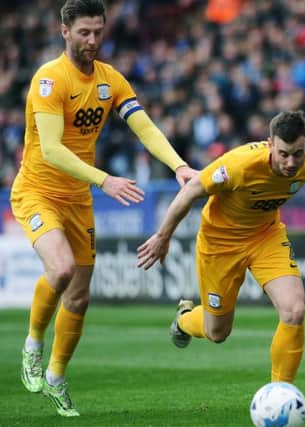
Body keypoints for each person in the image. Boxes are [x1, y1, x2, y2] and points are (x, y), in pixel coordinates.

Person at [11, 0, 196, 417]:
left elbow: (143, 125)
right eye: (84, 33)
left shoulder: (111, 80)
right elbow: (54, 149)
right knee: (60, 270)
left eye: (97, 32)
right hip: (38, 191)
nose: (92, 40)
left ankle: (57, 378)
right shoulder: (49, 80)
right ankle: (33, 345)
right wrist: (104, 179)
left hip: (78, 200)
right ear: (65, 31)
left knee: (78, 298)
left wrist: (179, 165)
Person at [136, 110, 305, 385]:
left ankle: (281, 393)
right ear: (270, 144)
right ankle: (185, 318)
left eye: (298, 153)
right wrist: (163, 236)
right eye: (283, 154)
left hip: (265, 237)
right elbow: (191, 190)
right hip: (219, 245)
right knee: (217, 332)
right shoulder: (239, 165)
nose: (291, 162)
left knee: (294, 310)